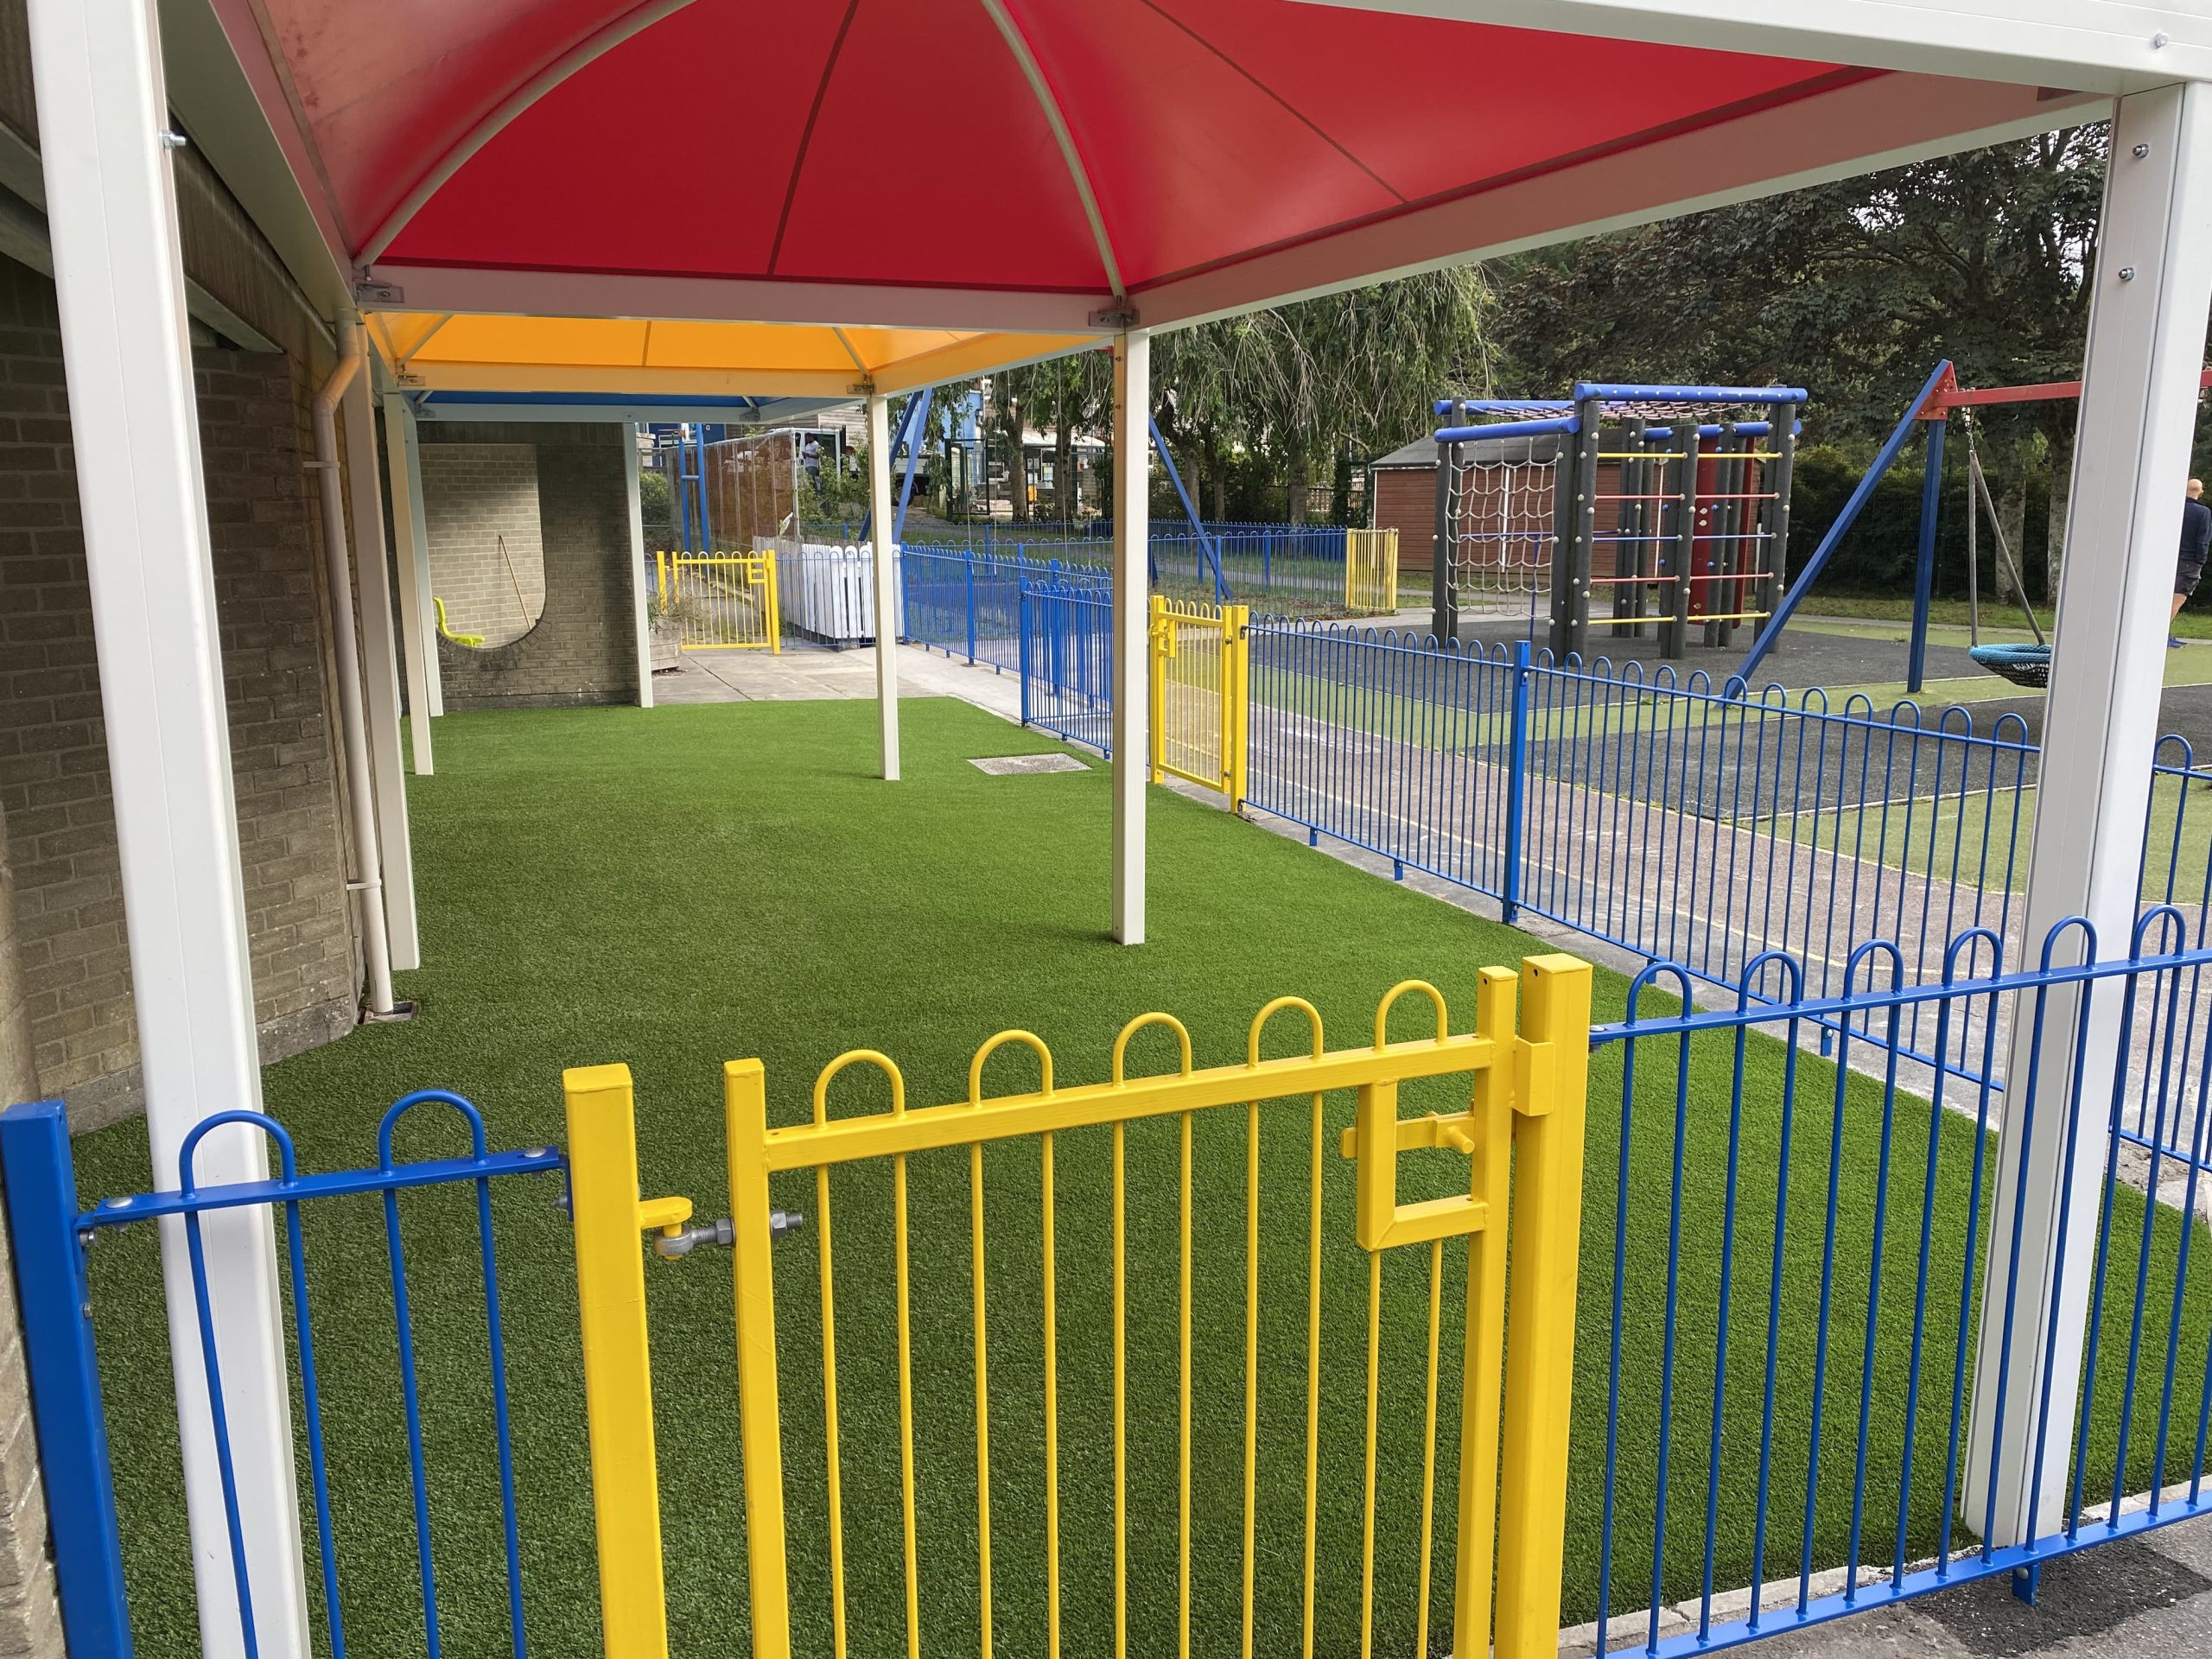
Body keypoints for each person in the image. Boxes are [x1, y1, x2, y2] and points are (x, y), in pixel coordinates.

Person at [2175, 477, 2209, 647]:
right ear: (2200, 493)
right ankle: (2161, 635)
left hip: (2171, 558)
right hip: (2189, 562)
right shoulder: (2203, 513)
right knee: (2177, 599)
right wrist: (2201, 560)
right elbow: (2203, 540)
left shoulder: (2176, 508)